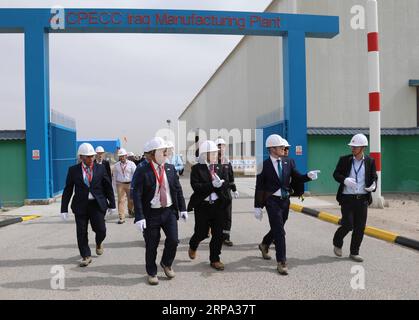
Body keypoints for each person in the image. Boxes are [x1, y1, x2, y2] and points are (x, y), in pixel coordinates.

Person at [254, 134, 320, 275]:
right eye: (280, 147)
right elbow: (259, 187)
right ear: (272, 149)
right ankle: (281, 262)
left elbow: (297, 177)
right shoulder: (263, 166)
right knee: (279, 231)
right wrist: (258, 206)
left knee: (280, 226)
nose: (283, 148)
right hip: (271, 201)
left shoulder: (288, 162)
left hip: (285, 201)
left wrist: (308, 176)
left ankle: (264, 244)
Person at [132, 137, 188, 285]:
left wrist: (182, 208)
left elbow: (177, 189)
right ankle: (151, 272)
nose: (165, 154)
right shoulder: (142, 170)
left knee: (174, 240)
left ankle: (166, 263)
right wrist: (139, 216)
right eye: (162, 151)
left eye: (165, 151)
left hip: (169, 211)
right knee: (152, 244)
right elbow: (136, 194)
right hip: (151, 214)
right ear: (152, 154)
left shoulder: (170, 168)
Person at [60, 143, 116, 267]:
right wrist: (63, 209)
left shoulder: (100, 168)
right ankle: (86, 255)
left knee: (101, 230)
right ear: (81, 157)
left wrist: (112, 204)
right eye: (88, 157)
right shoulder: (73, 170)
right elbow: (68, 189)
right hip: (80, 205)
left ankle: (99, 242)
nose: (91, 159)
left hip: (97, 205)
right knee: (81, 232)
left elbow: (107, 186)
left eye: (92, 156)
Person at [332, 133, 378, 262]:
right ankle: (337, 241)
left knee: (360, 227)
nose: (352, 149)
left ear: (363, 147)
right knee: (347, 224)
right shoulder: (344, 160)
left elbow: (374, 176)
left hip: (362, 199)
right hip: (347, 198)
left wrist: (373, 185)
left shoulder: (370, 161)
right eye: (352, 146)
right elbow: (335, 174)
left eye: (355, 147)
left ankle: (354, 252)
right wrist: (344, 180)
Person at [187, 140, 230, 271]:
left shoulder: (221, 167)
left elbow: (226, 184)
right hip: (203, 206)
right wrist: (212, 185)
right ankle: (193, 245)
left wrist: (222, 184)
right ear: (205, 154)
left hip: (218, 206)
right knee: (201, 233)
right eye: (212, 153)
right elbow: (196, 187)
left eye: (216, 153)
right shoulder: (196, 169)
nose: (216, 156)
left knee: (218, 234)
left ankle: (215, 259)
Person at [214, 138, 239, 247]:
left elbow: (231, 177)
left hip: (226, 193)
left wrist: (234, 189)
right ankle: (215, 233)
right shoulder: (212, 162)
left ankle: (226, 237)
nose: (221, 148)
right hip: (215, 193)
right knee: (216, 216)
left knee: (227, 216)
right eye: (219, 145)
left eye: (223, 146)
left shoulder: (227, 161)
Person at [113, 148, 137, 223]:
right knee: (121, 201)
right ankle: (121, 217)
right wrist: (114, 186)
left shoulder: (131, 164)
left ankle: (131, 211)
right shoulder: (116, 165)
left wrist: (135, 184)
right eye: (120, 156)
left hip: (130, 184)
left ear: (126, 156)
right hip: (120, 184)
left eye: (123, 156)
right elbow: (114, 176)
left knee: (131, 200)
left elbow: (135, 174)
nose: (121, 158)